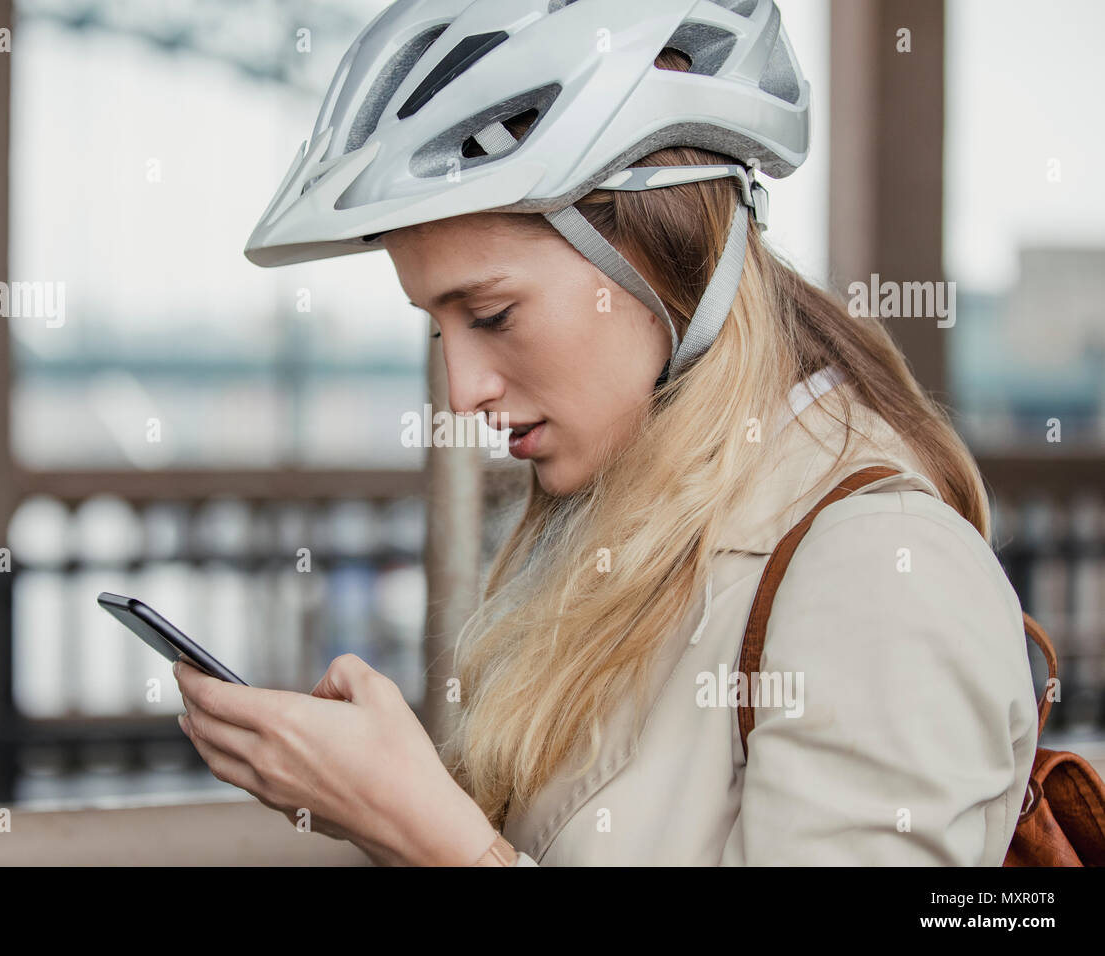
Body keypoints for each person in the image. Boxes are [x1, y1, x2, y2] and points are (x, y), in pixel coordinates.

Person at [174, 0, 1039, 865]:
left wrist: (426, 834)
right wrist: (374, 796)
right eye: (441, 327)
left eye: (492, 312)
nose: (462, 390)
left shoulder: (885, 574)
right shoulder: (645, 527)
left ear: (657, 258)